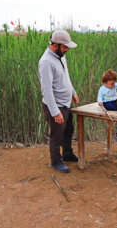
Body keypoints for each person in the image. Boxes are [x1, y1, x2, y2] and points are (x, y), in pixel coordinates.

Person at [38, 30, 79, 173]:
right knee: (57, 135)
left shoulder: (60, 56)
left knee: (68, 130)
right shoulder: (46, 62)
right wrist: (55, 112)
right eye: (65, 47)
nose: (67, 50)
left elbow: (65, 77)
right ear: (56, 45)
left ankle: (67, 153)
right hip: (55, 104)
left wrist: (73, 92)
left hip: (65, 103)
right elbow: (47, 90)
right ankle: (56, 161)